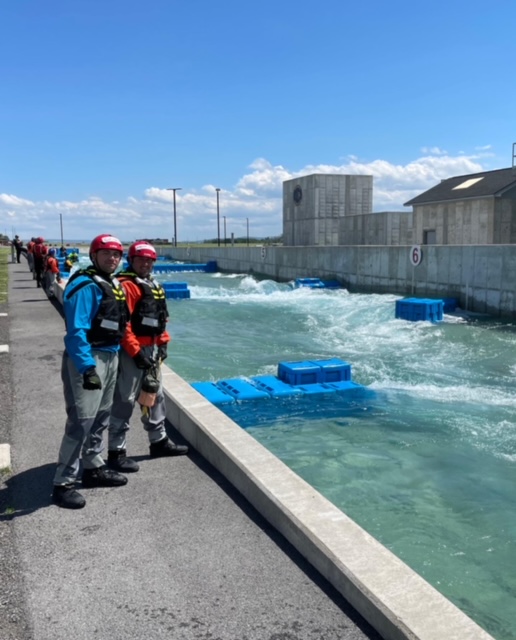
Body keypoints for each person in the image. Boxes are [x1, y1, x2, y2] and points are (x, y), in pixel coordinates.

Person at [52, 234, 129, 509]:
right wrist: (87, 368)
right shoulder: (86, 285)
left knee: (101, 416)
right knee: (81, 420)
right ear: (94, 256)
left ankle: (93, 467)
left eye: (117, 255)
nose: (112, 259)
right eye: (106, 254)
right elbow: (76, 331)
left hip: (111, 354)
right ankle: (63, 483)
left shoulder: (112, 283)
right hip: (89, 357)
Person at [107, 240, 188, 472]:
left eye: (149, 260)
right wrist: (135, 353)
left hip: (151, 350)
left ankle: (159, 442)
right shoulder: (126, 286)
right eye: (141, 259)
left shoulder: (151, 284)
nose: (145, 263)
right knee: (124, 400)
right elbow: (123, 325)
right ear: (131, 260)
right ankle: (116, 451)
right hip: (131, 352)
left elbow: (161, 319)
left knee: (155, 396)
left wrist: (163, 343)